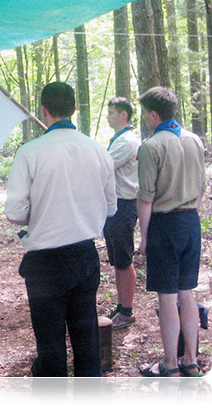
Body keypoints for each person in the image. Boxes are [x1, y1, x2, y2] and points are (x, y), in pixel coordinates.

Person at [4, 81, 116, 377]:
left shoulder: (30, 152)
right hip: (84, 255)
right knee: (86, 341)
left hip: (46, 263)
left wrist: (41, 211)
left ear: (44, 110)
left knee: (51, 346)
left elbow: (15, 214)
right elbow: (112, 208)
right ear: (74, 109)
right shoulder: (99, 151)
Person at [136, 87, 206, 377]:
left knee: (167, 296)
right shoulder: (194, 141)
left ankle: (170, 364)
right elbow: (201, 189)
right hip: (191, 222)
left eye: (145, 114)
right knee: (186, 292)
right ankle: (191, 359)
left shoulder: (151, 146)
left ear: (154, 115)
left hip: (164, 224)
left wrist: (144, 237)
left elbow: (145, 198)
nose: (144, 119)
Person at [103, 97, 140, 328]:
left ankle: (127, 311)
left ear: (123, 115)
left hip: (124, 205)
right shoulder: (119, 139)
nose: (108, 117)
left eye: (111, 112)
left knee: (124, 260)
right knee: (117, 260)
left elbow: (103, 164)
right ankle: (121, 305)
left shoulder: (127, 141)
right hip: (114, 206)